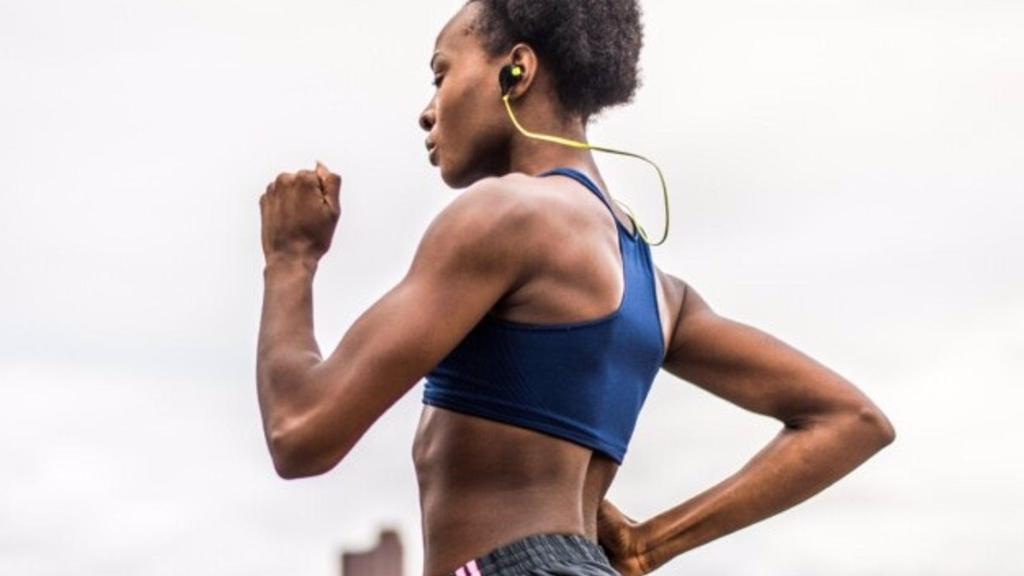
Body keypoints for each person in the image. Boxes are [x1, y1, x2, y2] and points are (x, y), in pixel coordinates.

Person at [255, 1, 897, 575]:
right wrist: (650, 545)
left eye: (441, 73)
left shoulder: (504, 217)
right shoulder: (659, 291)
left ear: (518, 71)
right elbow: (851, 419)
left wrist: (291, 258)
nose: (427, 110)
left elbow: (302, 433)